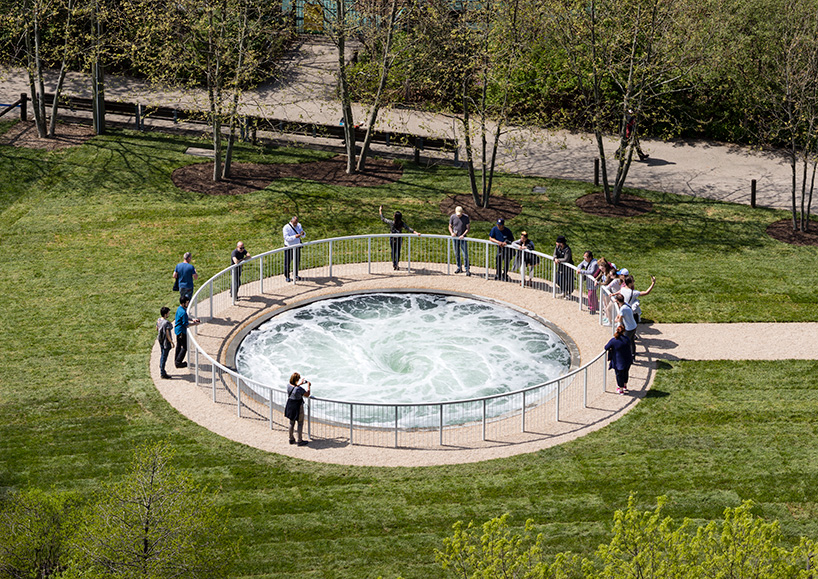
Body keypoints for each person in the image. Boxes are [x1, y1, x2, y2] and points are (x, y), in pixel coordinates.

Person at [379, 205, 420, 270]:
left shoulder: (392, 223)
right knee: (397, 251)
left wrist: (380, 210)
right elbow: (408, 228)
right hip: (399, 239)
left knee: (393, 251)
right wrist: (416, 233)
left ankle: (394, 264)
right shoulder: (402, 224)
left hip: (392, 239)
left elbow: (383, 219)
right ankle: (396, 264)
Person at [605, 325, 634, 394]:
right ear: (624, 332)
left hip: (618, 362)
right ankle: (624, 386)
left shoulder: (613, 341)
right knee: (625, 373)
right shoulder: (627, 339)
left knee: (619, 375)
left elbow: (606, 347)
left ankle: (620, 389)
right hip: (627, 360)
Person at [284, 372, 311, 446]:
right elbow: (307, 394)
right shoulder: (299, 389)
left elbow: (294, 388)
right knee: (300, 423)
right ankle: (299, 440)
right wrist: (308, 386)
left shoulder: (288, 386)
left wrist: (300, 384)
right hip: (298, 407)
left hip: (290, 405)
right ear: (297, 380)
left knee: (291, 423)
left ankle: (291, 439)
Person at [174, 295, 200, 369]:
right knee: (185, 347)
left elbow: (185, 318)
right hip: (182, 331)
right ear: (183, 303)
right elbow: (186, 324)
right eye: (187, 303)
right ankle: (178, 363)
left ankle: (176, 360)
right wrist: (195, 324)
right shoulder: (183, 312)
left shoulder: (179, 309)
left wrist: (192, 320)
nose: (188, 304)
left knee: (179, 346)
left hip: (178, 330)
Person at [448, 206, 471, 276]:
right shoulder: (452, 217)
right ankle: (459, 267)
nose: (459, 215)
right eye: (458, 214)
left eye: (460, 214)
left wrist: (463, 235)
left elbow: (468, 228)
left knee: (465, 254)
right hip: (455, 238)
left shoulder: (466, 217)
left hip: (462, 238)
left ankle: (467, 269)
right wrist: (452, 233)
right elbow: (450, 226)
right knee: (456, 253)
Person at [613, 293, 638, 358]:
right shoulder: (626, 304)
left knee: (625, 342)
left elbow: (620, 320)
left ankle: (627, 356)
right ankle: (633, 354)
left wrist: (616, 320)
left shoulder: (622, 309)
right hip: (634, 326)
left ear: (618, 301)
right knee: (632, 341)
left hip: (629, 329)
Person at [283, 216, 306, 282]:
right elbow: (287, 238)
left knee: (297, 261)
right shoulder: (286, 227)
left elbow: (303, 234)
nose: (295, 224)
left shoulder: (299, 225)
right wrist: (295, 236)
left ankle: (296, 275)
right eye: (294, 223)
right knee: (287, 262)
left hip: (297, 246)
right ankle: (287, 276)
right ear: (291, 221)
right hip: (289, 247)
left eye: (296, 222)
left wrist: (303, 234)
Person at [156, 306, 174, 379]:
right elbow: (167, 334)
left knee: (162, 354)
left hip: (161, 340)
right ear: (165, 314)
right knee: (164, 356)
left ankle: (161, 367)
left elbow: (157, 328)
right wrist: (171, 342)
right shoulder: (166, 323)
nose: (169, 314)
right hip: (166, 342)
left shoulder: (159, 320)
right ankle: (162, 372)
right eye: (168, 313)